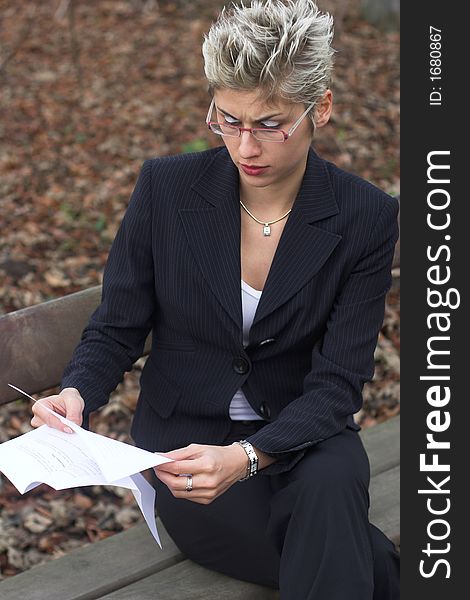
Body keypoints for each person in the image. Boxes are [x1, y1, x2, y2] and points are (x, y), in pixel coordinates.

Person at [31, 1, 400, 598]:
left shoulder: (365, 216)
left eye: (270, 123)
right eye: (228, 120)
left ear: (321, 109)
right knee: (376, 569)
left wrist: (251, 455)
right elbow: (117, 326)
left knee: (332, 483)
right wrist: (76, 393)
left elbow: (338, 385)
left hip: (305, 435)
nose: (245, 145)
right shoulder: (167, 189)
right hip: (187, 459)